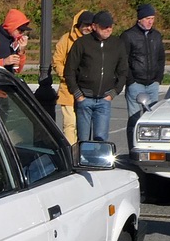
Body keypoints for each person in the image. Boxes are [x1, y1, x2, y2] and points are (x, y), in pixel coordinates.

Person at [64, 10, 128, 142]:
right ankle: (83, 161)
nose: (108, 29)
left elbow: (123, 71)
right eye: (104, 26)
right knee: (83, 140)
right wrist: (78, 94)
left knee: (101, 139)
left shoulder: (117, 44)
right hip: (84, 99)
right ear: (94, 26)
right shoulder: (81, 44)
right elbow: (70, 70)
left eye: (110, 26)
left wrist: (113, 93)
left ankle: (97, 162)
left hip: (105, 99)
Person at [120, 3, 166, 150]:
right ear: (139, 19)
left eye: (152, 18)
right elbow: (123, 60)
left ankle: (150, 149)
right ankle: (133, 149)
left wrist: (158, 79)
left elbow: (161, 58)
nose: (150, 21)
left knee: (151, 120)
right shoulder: (128, 36)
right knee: (134, 119)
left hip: (152, 84)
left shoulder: (156, 36)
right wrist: (131, 81)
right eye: (147, 18)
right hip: (136, 84)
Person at [51, 10, 94, 145]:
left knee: (86, 125)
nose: (88, 28)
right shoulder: (66, 39)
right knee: (70, 124)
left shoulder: (95, 41)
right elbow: (57, 60)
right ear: (78, 25)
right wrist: (67, 76)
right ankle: (71, 152)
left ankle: (85, 151)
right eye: (85, 25)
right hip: (68, 89)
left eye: (90, 25)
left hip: (88, 89)